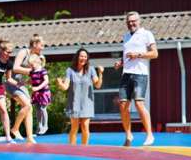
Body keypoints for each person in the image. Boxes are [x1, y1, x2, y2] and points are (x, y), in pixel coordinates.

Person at [114, 11, 158, 146]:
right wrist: (120, 62)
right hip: (126, 74)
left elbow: (155, 53)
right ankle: (128, 135)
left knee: (139, 104)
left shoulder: (146, 34)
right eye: (129, 22)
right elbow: (127, 56)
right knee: (122, 105)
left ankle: (150, 135)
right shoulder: (126, 36)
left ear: (139, 21)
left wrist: (138, 55)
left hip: (140, 74)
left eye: (133, 21)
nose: (131, 23)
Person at [56, 48, 104, 145]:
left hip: (87, 103)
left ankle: (84, 149)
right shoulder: (70, 70)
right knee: (74, 128)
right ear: (77, 57)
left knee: (85, 126)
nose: (83, 58)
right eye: (81, 56)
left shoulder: (90, 70)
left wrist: (100, 73)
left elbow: (98, 85)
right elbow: (65, 87)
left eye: (85, 56)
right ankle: (72, 149)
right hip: (74, 103)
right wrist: (60, 83)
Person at [8, 34, 45, 143]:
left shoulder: (36, 57)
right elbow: (15, 68)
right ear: (34, 44)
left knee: (29, 109)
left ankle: (29, 137)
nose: (43, 48)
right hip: (12, 83)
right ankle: (15, 129)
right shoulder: (24, 52)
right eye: (41, 45)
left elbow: (32, 76)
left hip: (21, 84)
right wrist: (32, 71)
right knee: (27, 105)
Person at [28, 54, 52, 135]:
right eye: (30, 65)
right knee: (37, 109)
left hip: (44, 92)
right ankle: (39, 125)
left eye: (32, 65)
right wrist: (23, 82)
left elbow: (46, 81)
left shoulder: (43, 71)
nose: (31, 66)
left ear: (37, 62)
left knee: (43, 108)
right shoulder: (32, 72)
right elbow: (31, 80)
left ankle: (45, 125)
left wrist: (38, 88)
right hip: (36, 93)